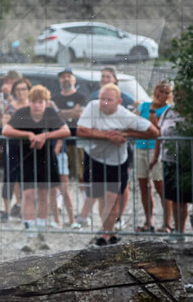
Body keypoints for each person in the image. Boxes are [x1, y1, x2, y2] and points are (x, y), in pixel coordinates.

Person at [77, 83, 158, 246]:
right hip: (94, 158)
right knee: (100, 199)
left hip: (116, 162)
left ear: (119, 101)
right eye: (102, 99)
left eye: (109, 100)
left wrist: (126, 134)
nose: (104, 102)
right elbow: (80, 130)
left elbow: (153, 132)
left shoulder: (126, 116)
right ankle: (108, 232)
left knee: (111, 200)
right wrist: (107, 136)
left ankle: (107, 233)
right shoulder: (92, 107)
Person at [1, 85, 71, 252]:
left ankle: (41, 233)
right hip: (26, 158)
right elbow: (6, 129)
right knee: (28, 194)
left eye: (40, 102)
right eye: (34, 102)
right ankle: (30, 234)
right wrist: (28, 135)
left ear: (46, 103)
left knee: (44, 195)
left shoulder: (50, 113)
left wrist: (45, 135)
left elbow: (65, 131)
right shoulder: (22, 113)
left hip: (46, 158)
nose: (36, 105)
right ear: (30, 102)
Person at [150, 87, 190, 238]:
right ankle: (178, 231)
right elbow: (159, 135)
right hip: (169, 160)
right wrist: (155, 158)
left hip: (187, 160)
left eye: (183, 95)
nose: (179, 98)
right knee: (175, 197)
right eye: (177, 95)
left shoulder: (189, 112)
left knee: (185, 197)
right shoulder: (168, 112)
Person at [50, 68, 88, 229]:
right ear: (59, 80)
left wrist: (63, 113)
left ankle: (84, 214)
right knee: (59, 180)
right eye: (63, 77)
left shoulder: (81, 96)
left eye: (68, 76)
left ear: (74, 79)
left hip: (77, 140)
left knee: (81, 176)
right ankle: (58, 211)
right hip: (61, 141)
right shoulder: (55, 97)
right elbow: (56, 115)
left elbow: (81, 113)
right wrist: (70, 113)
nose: (66, 79)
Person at [134, 81, 173, 233]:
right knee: (144, 185)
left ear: (169, 96)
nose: (161, 95)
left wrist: (151, 114)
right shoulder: (143, 106)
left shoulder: (167, 110)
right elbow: (133, 123)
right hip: (140, 147)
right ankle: (148, 220)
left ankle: (167, 222)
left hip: (157, 149)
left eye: (165, 92)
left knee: (160, 185)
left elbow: (157, 130)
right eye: (159, 91)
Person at [0, 77, 30, 220]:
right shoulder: (10, 106)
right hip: (12, 145)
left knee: (27, 179)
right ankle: (6, 210)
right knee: (9, 178)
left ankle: (24, 208)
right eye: (18, 89)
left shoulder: (33, 106)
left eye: (24, 89)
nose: (21, 92)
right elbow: (5, 127)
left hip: (29, 147)